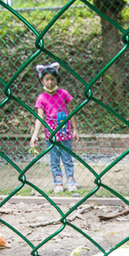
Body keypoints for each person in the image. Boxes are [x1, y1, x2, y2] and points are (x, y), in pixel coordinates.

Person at [30, 63, 80, 193]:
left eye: (52, 79)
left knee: (67, 158)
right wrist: (35, 134)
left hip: (64, 130)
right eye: (47, 79)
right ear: (42, 81)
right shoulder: (41, 98)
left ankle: (70, 180)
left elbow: (71, 112)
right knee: (54, 160)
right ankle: (58, 182)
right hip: (50, 133)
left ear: (57, 79)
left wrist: (75, 129)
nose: (50, 82)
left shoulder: (63, 94)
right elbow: (40, 118)